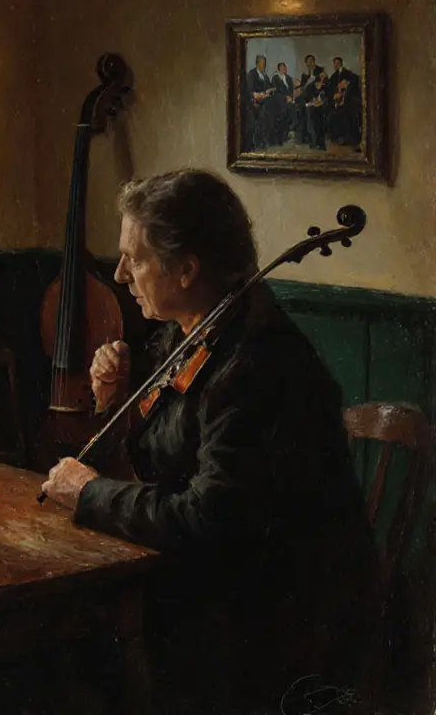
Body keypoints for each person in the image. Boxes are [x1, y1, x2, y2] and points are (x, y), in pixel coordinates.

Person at [41, 169, 378, 712]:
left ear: (187, 269)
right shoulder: (188, 336)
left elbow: (205, 519)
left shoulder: (256, 362)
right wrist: (118, 404)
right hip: (220, 591)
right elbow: (170, 462)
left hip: (278, 621)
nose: (121, 273)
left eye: (136, 258)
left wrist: (90, 494)